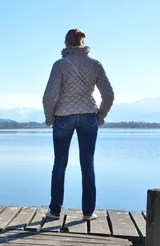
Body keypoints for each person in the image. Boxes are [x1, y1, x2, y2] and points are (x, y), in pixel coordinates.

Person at [42, 29, 114, 221]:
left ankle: (55, 211)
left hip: (63, 117)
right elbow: (109, 95)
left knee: (60, 163)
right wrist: (100, 116)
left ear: (66, 43)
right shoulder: (95, 65)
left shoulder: (60, 65)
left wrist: (50, 118)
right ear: (82, 43)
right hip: (89, 116)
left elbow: (49, 97)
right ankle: (88, 213)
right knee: (87, 164)